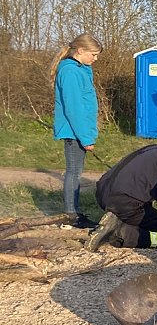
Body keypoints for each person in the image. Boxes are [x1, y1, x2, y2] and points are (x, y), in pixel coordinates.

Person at [51, 33, 103, 229]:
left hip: (79, 132)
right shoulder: (70, 72)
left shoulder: (81, 69)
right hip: (74, 132)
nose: (95, 59)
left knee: (76, 172)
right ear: (80, 51)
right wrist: (86, 137)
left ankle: (74, 211)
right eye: (93, 54)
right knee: (74, 172)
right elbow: (74, 109)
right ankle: (71, 216)